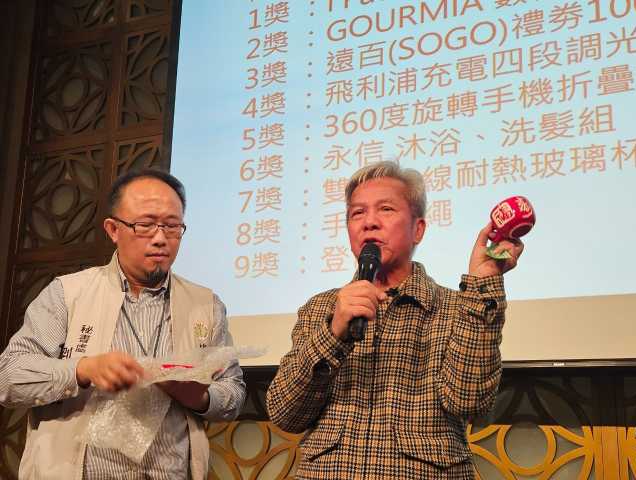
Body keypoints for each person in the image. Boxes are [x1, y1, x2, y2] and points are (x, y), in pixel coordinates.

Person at [266, 161, 524, 479]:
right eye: (357, 213)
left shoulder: (458, 307)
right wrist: (333, 334)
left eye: (386, 209)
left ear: (418, 229)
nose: (369, 222)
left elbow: (470, 403)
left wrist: (483, 283)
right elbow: (285, 414)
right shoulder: (320, 309)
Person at [0, 169, 246, 479]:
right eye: (145, 225)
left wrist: (199, 396)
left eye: (172, 226)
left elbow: (233, 393)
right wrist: (82, 370)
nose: (160, 238)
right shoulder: (68, 293)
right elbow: (8, 377)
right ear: (113, 229)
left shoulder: (206, 305)